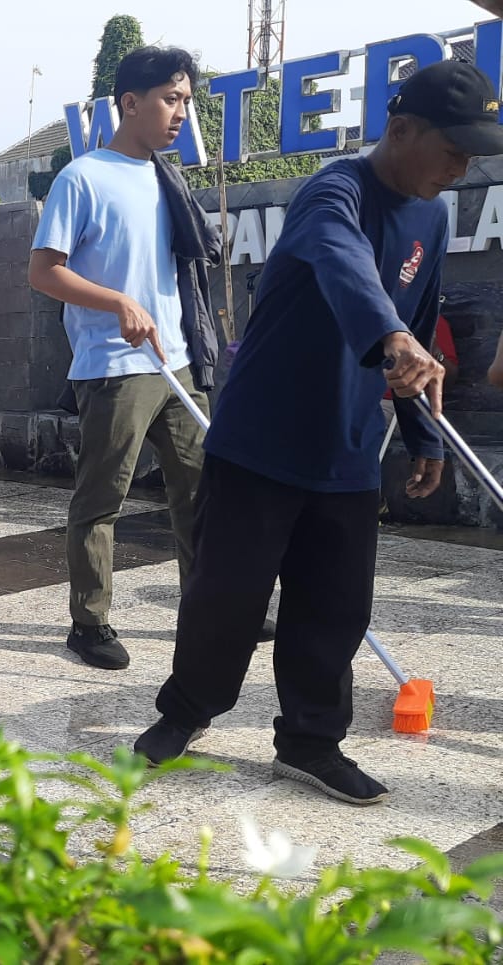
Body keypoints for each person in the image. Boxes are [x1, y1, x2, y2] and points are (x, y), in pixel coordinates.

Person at [134, 60, 503, 805]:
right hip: (261, 440)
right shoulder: (331, 191)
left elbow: (421, 320)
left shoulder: (432, 215)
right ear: (401, 131)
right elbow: (346, 268)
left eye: (474, 155)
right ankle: (186, 712)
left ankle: (309, 740)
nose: (462, 168)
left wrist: (424, 437)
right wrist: (389, 339)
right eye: (453, 149)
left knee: (336, 606)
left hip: (345, 448)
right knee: (227, 595)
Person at [27, 47, 216, 671]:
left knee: (204, 490)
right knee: (101, 499)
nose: (181, 113)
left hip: (178, 362)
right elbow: (44, 272)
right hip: (114, 366)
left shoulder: (169, 179)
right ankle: (90, 622)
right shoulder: (83, 178)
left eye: (186, 101)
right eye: (170, 99)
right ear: (130, 103)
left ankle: (209, 605)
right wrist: (117, 303)